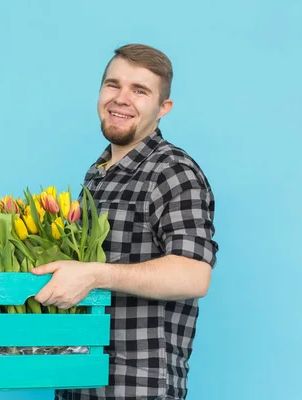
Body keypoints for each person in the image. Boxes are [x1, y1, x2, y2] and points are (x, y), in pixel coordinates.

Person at [31, 44, 219, 400]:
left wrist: (96, 274)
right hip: (78, 380)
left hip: (136, 387)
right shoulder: (98, 174)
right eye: (112, 85)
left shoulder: (173, 171)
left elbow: (195, 274)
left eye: (140, 90)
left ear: (164, 108)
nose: (121, 99)